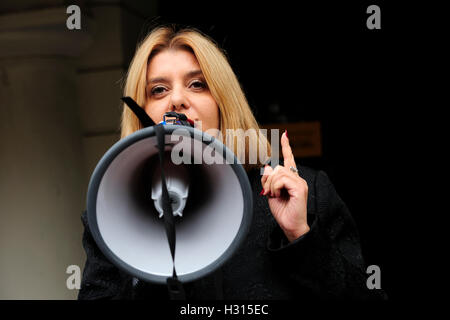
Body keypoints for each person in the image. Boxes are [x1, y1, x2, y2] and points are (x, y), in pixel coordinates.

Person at [78, 25, 387, 300]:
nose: (176, 100)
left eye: (197, 84)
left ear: (223, 102)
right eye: (158, 90)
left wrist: (302, 237)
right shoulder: (112, 212)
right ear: (141, 111)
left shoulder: (304, 194)